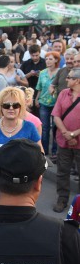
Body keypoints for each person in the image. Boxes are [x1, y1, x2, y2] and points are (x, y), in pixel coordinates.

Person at [51, 67, 80, 213]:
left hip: (77, 141)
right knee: (62, 171)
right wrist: (66, 133)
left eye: (69, 77)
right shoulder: (63, 93)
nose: (66, 79)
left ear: (77, 81)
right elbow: (56, 115)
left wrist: (73, 135)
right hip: (63, 140)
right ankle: (62, 199)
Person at [35, 51, 60, 158]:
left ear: (56, 60)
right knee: (44, 128)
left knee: (55, 127)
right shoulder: (42, 73)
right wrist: (36, 99)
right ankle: (44, 150)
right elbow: (39, 87)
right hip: (44, 102)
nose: (48, 61)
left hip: (56, 103)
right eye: (46, 59)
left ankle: (55, 151)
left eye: (50, 59)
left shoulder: (60, 72)